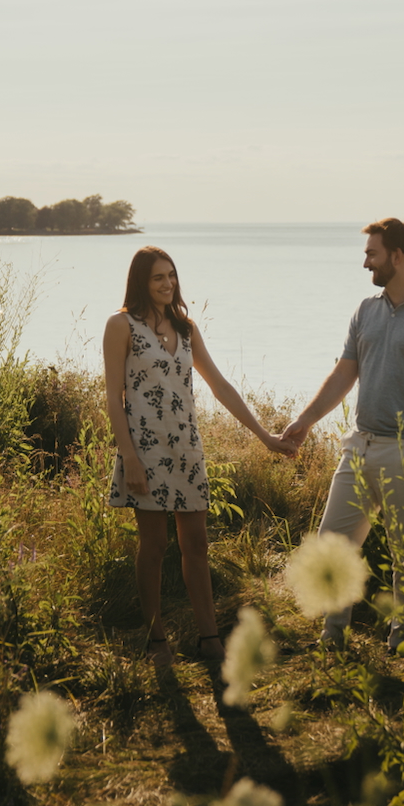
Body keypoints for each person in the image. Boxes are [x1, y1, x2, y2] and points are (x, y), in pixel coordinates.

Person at [282, 217, 404, 651]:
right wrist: (305, 421)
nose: (365, 262)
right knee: (332, 546)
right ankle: (333, 639)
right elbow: (344, 374)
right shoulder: (366, 310)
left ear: (397, 256)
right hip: (359, 446)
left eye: (372, 253)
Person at [104, 245, 294, 668]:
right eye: (158, 278)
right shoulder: (121, 326)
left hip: (186, 449)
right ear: (141, 282)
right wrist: (129, 456)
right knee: (152, 546)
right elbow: (114, 399)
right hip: (146, 452)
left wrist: (265, 435)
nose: (168, 284)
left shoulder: (185, 327)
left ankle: (209, 638)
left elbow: (221, 386)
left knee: (197, 544)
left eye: (171, 275)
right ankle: (156, 640)